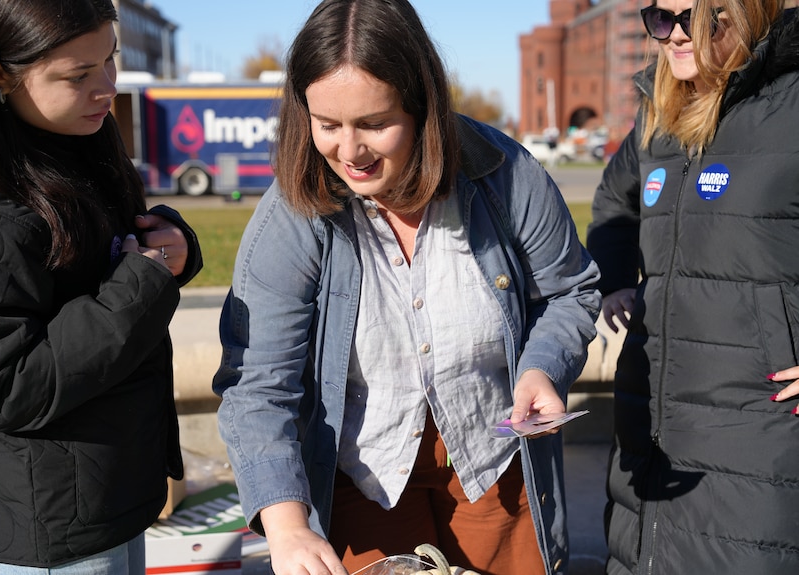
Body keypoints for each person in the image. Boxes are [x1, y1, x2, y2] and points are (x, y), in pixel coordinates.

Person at [213, 1, 601, 574]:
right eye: (327, 125)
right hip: (361, 472)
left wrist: (542, 366)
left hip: (494, 460)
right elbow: (257, 383)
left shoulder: (506, 173)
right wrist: (288, 524)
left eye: (374, 124)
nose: (350, 152)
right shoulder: (290, 216)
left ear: (423, 105)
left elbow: (570, 291)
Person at [0, 0, 203, 572]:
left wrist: (170, 243)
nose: (108, 87)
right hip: (48, 533)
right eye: (78, 75)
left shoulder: (66, 127)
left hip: (104, 494)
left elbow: (102, 255)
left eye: (110, 59)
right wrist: (142, 282)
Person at [587, 1, 799, 573]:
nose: (675, 36)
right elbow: (614, 202)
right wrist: (611, 280)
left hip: (759, 436)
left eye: (702, 18)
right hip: (648, 431)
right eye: (661, 18)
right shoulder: (658, 112)